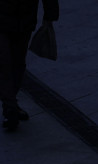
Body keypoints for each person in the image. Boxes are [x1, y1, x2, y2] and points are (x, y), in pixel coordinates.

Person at [0, 0, 58, 132]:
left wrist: (50, 15)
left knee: (17, 64)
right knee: (4, 63)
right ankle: (10, 107)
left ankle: (10, 104)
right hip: (11, 20)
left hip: (23, 22)